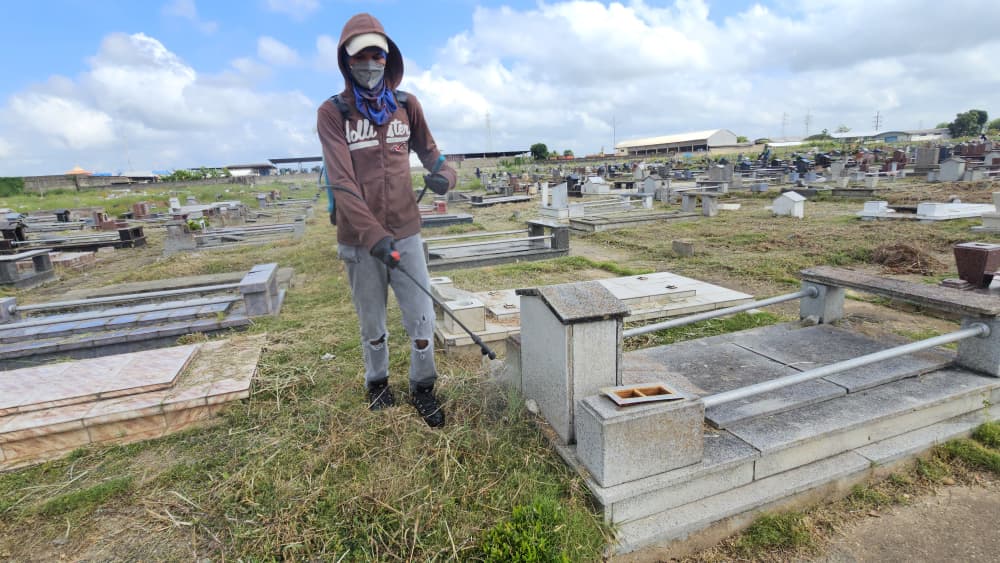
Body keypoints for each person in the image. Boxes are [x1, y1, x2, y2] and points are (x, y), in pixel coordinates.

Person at [316, 13, 456, 427]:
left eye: (378, 54)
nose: (371, 63)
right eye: (362, 56)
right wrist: (374, 236)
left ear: (388, 57)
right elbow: (341, 183)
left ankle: (423, 386)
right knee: (373, 321)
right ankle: (377, 382)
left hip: (406, 233)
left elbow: (432, 152)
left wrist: (445, 175)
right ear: (347, 60)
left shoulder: (406, 105)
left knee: (421, 317)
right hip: (362, 242)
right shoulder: (333, 113)